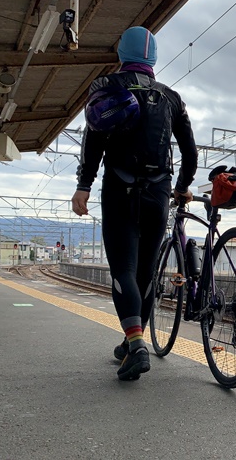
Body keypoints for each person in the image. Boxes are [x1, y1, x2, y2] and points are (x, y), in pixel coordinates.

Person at [71, 26, 198, 380]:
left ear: (122, 54)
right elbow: (190, 153)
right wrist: (183, 187)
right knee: (144, 272)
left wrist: (83, 185)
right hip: (158, 193)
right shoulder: (172, 98)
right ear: (153, 59)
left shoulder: (106, 86)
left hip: (120, 189)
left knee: (123, 269)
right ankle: (132, 342)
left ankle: (136, 343)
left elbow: (93, 141)